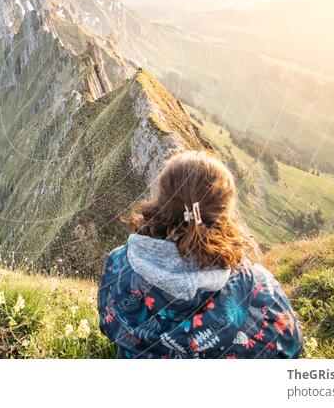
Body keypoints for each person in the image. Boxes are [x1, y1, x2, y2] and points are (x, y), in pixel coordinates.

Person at [98, 150, 302, 358]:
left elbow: (108, 325)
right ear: (223, 213)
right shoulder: (256, 287)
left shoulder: (118, 263)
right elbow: (290, 345)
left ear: (161, 201)